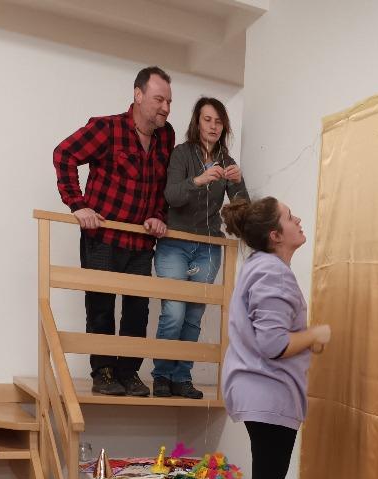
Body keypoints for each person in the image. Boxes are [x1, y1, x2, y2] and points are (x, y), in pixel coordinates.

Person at [220, 198, 331, 479]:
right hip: (268, 392)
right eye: (289, 216)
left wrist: (305, 339)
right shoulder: (272, 273)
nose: (297, 219)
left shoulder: (259, 266)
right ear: (275, 234)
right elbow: (273, 344)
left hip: (258, 389)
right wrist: (314, 335)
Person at [53, 66, 175, 397]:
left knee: (137, 310)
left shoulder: (166, 136)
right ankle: (103, 372)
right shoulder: (107, 128)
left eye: (169, 102)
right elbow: (64, 154)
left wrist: (158, 215)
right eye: (159, 99)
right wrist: (77, 205)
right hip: (103, 238)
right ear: (138, 95)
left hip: (140, 241)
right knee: (101, 307)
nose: (165, 108)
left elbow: (163, 185)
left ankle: (129, 372)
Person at [152, 98, 249, 399]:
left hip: (208, 247)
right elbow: (171, 196)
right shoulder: (182, 153)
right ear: (197, 122)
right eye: (207, 120)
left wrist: (239, 183)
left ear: (224, 127)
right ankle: (161, 376)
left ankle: (182, 377)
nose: (213, 126)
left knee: (194, 316)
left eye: (218, 122)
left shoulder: (227, 160)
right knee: (174, 312)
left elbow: (243, 212)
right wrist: (199, 179)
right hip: (174, 244)